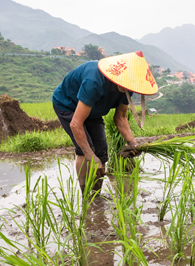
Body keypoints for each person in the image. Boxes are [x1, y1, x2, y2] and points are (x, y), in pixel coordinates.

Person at [52, 51, 158, 192]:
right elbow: (76, 124)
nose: (126, 86)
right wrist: (90, 156)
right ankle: (86, 196)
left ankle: (96, 194)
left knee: (101, 153)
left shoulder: (127, 89)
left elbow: (120, 118)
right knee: (85, 152)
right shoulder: (94, 81)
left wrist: (133, 144)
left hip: (93, 110)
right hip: (68, 105)